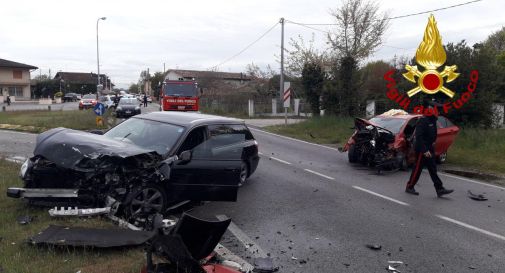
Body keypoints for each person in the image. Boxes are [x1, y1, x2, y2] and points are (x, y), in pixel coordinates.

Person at [405, 100, 454, 197]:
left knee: (433, 169)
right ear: (431, 109)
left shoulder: (432, 120)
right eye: (437, 109)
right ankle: (409, 186)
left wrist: (433, 143)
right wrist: (424, 150)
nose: (439, 112)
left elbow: (434, 133)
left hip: (430, 147)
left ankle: (439, 189)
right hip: (421, 149)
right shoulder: (423, 120)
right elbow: (418, 137)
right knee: (417, 169)